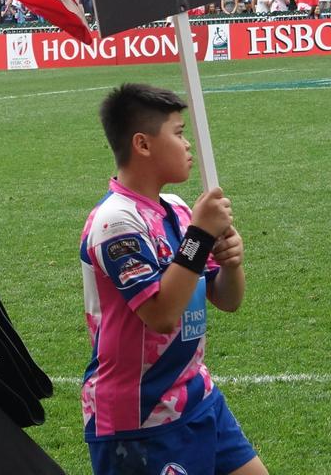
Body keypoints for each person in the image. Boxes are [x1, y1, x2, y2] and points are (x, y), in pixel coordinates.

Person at [79, 84, 262, 475]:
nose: (188, 145)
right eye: (178, 134)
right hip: (140, 421)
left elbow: (227, 300)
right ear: (143, 145)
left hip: (196, 396)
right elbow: (160, 313)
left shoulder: (178, 209)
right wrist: (198, 237)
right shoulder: (115, 222)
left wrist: (231, 264)